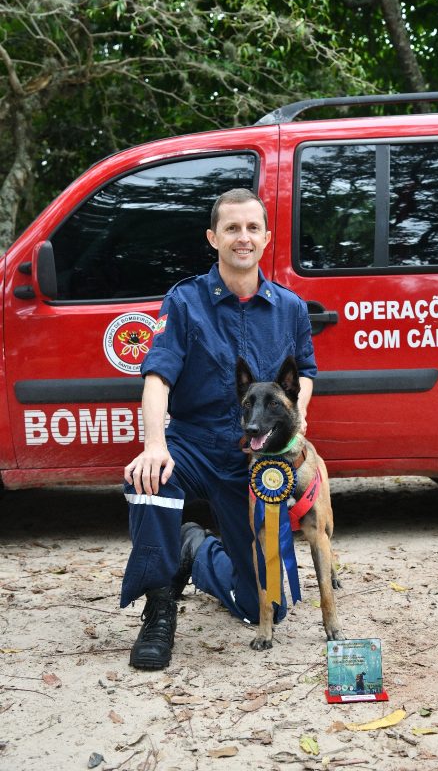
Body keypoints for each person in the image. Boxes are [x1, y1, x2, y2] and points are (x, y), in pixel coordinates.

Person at [121, 188, 317, 670]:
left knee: (265, 609)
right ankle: (159, 609)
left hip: (255, 463)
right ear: (213, 237)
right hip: (193, 444)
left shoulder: (289, 307)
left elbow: (306, 373)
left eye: (252, 228)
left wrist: (299, 418)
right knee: (149, 480)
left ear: (267, 238)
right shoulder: (184, 300)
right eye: (232, 228)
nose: (242, 237)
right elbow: (157, 377)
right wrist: (154, 446)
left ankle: (198, 550)